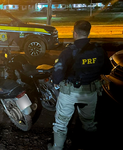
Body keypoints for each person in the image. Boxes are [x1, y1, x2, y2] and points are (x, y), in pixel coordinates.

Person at [48, 20, 112, 150]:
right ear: (88, 33)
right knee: (89, 123)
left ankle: (57, 148)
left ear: (75, 33)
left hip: (69, 93)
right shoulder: (99, 50)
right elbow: (107, 70)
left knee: (61, 123)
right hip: (90, 93)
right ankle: (88, 146)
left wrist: (56, 83)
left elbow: (58, 73)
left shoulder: (68, 51)